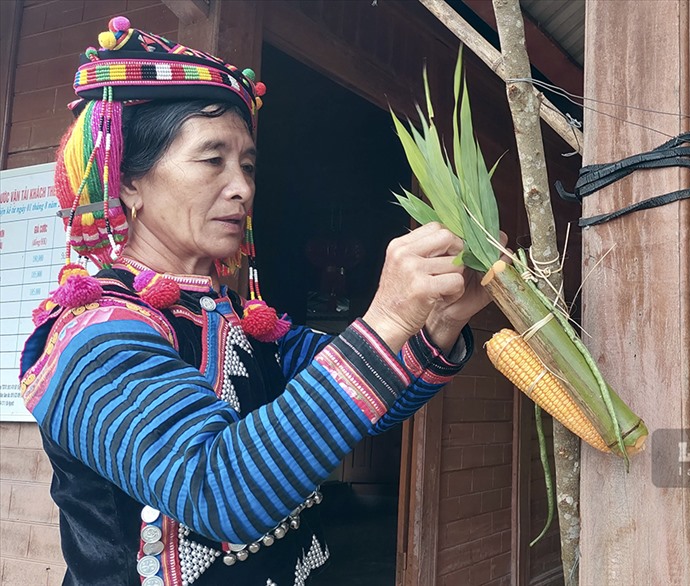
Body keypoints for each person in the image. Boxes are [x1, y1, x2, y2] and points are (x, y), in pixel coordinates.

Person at [19, 18, 496, 585]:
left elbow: (370, 402)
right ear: (128, 182)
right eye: (211, 159)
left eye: (247, 164)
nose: (242, 186)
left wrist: (439, 322)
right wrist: (387, 318)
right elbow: (218, 493)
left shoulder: (241, 321)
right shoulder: (93, 336)